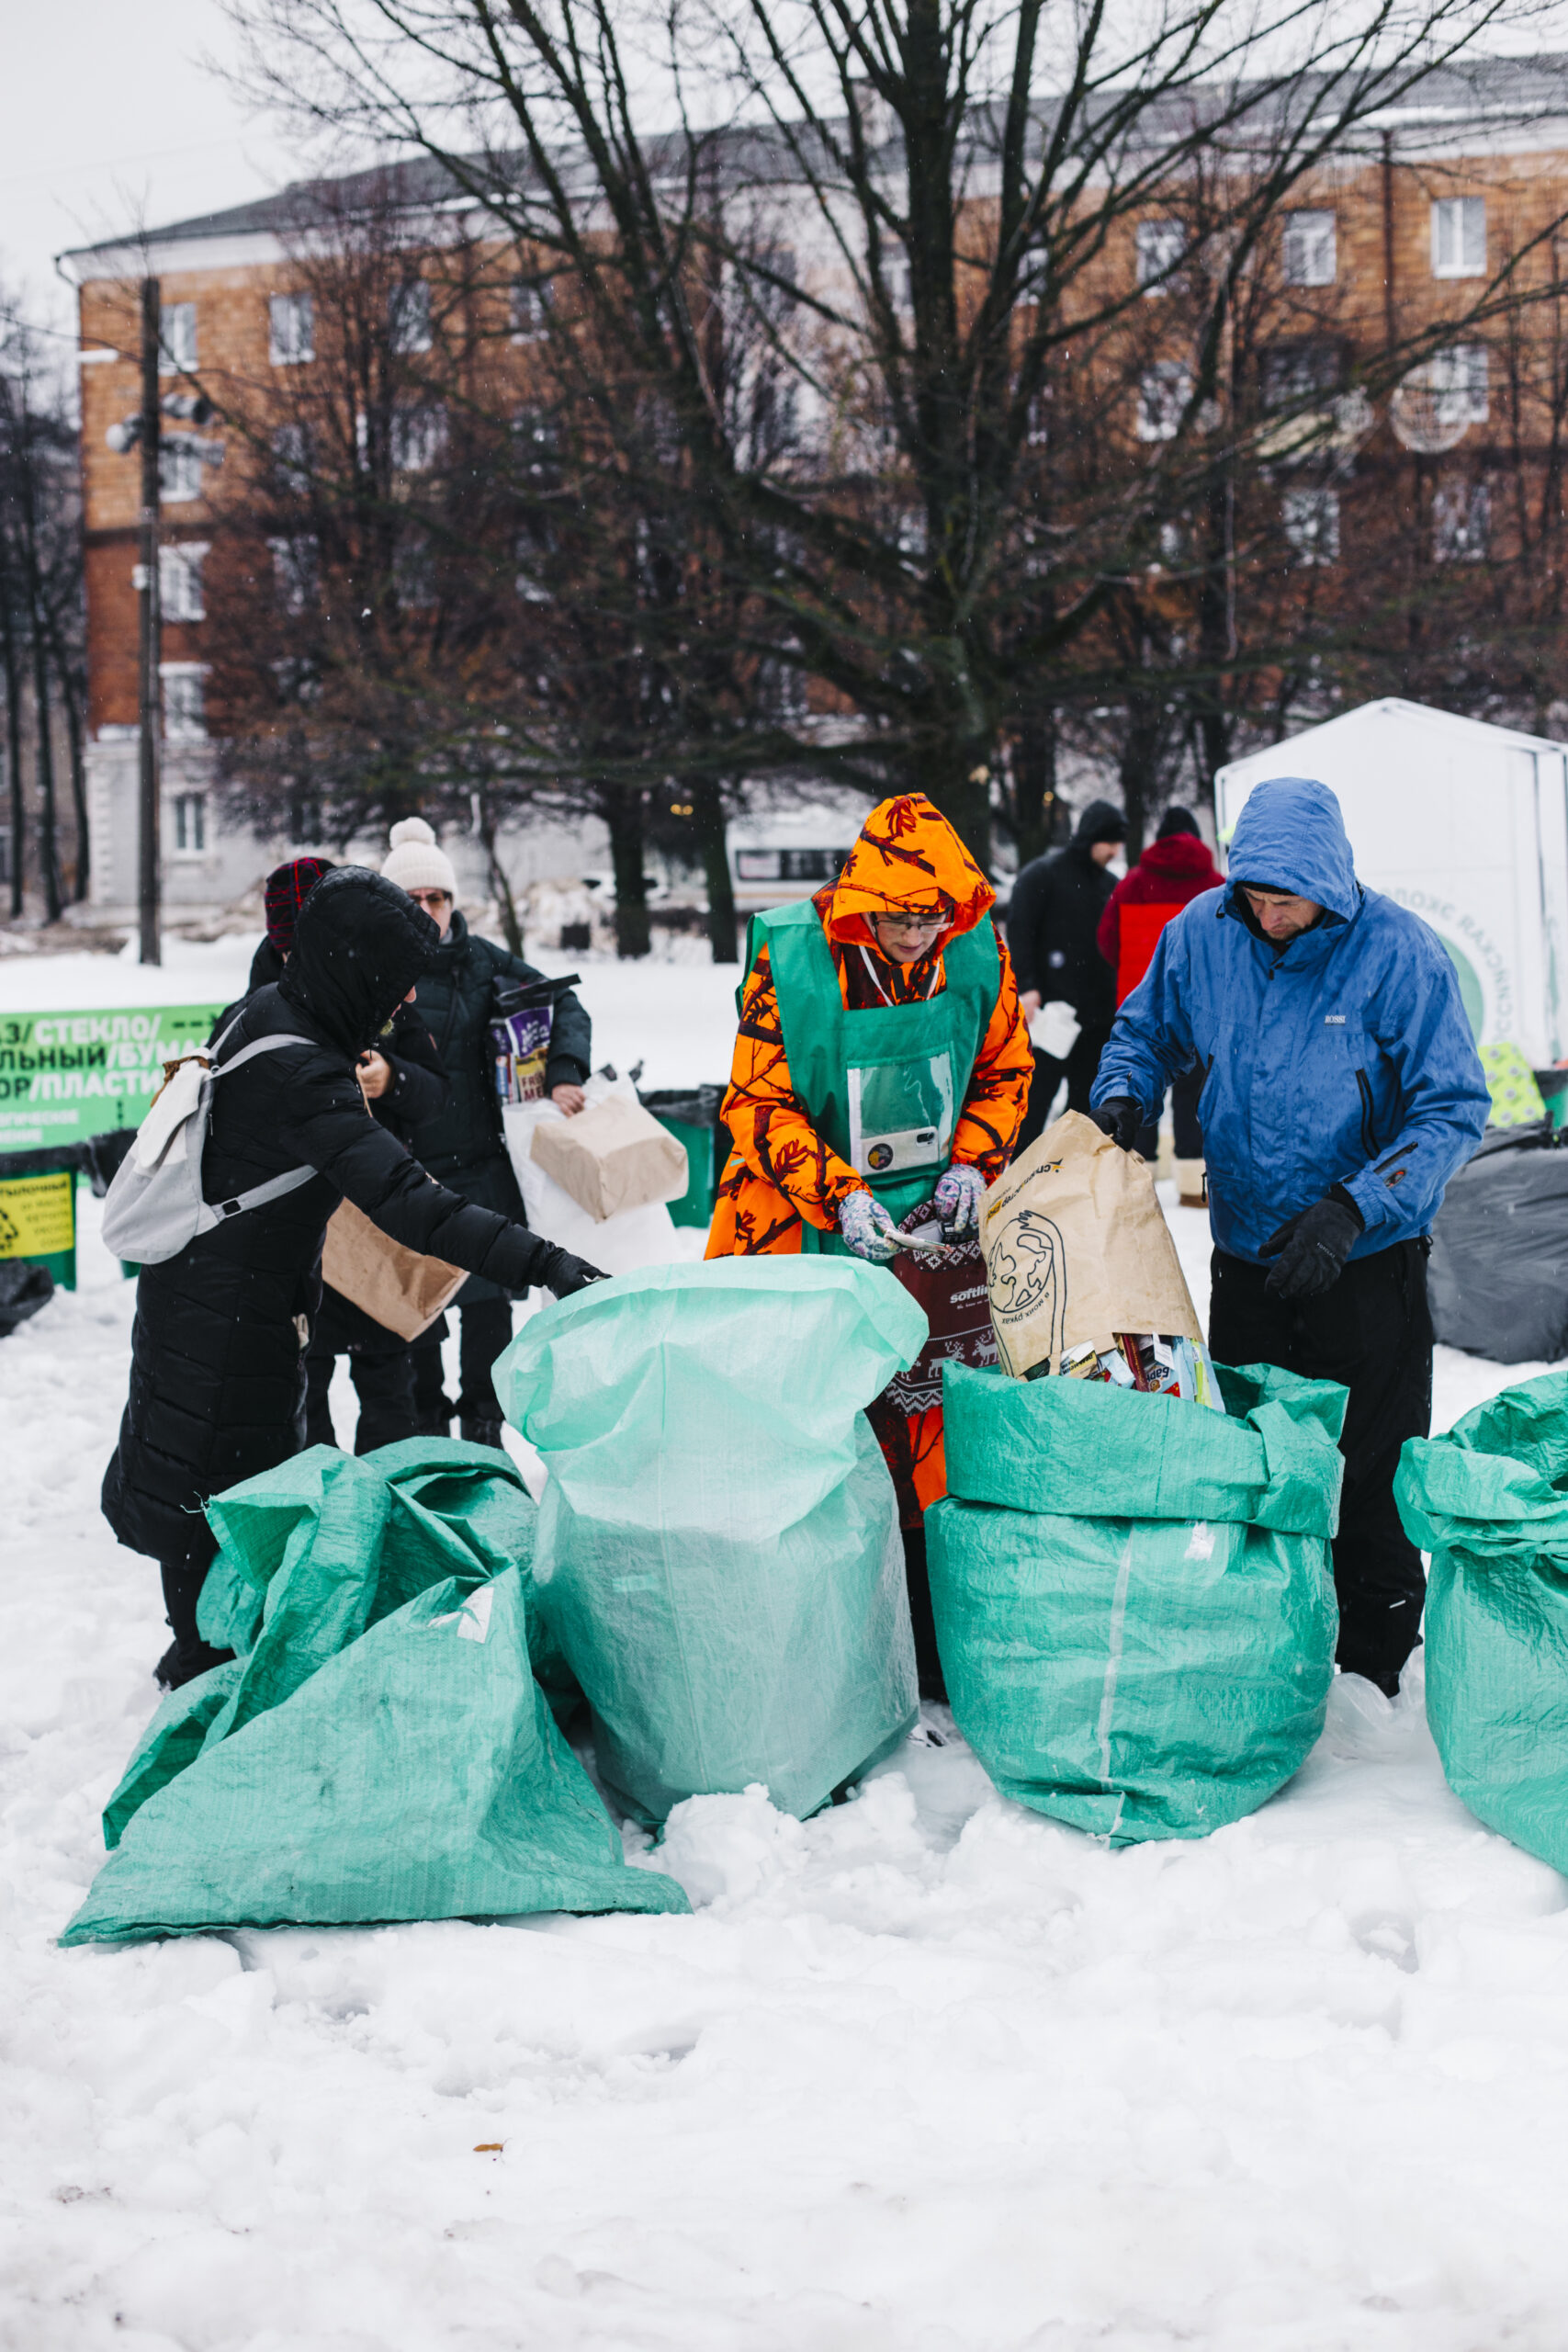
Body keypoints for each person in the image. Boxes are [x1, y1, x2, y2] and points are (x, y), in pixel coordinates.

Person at [102, 866, 604, 1691]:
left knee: (210, 1480)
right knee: (217, 1491)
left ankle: (211, 1651)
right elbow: (413, 1203)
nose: (405, 999)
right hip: (227, 1317)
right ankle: (205, 1666)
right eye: (395, 980)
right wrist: (545, 1261)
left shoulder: (272, 1010)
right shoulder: (304, 1072)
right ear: (354, 966)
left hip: (210, 1295)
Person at [1090, 775, 1489, 1698]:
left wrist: (1356, 1206)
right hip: (1249, 1257)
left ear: (1330, 886)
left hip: (1366, 1264)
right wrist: (1122, 1096)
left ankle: (1374, 1666)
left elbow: (1452, 1107)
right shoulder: (1202, 932)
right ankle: (1271, 1651)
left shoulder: (1398, 953)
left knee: (1369, 1472)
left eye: (1290, 901)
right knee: (1259, 1465)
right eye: (1258, 898)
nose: (1271, 917)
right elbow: (1144, 1034)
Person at [706, 791, 1032, 1698]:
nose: (916, 938)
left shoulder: (976, 945)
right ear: (861, 906)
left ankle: (930, 1638)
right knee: (820, 1425)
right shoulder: (791, 953)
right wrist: (837, 1193)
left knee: (936, 1426)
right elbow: (757, 1100)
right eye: (897, 920)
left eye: (932, 921)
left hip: (934, 1227)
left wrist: (971, 1164)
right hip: (804, 1213)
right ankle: (828, 1649)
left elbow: (1005, 1068)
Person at [379, 818, 593, 1450]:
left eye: (437, 898)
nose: (426, 911)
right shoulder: (371, 968)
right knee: (413, 1314)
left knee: (486, 1309)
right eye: (412, 900)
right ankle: (425, 1433)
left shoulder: (483, 962)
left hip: (479, 1165)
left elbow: (564, 1003)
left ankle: (483, 1433)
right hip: (402, 1171)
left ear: (453, 901)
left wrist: (563, 1070)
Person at [1094, 807, 1224, 1203]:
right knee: (1193, 1096)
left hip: (1139, 998)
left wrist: (1136, 972)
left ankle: (1139, 1182)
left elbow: (1106, 940)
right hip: (1201, 1006)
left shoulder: (1132, 884)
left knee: (1138, 1090)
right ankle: (1191, 1185)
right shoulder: (1216, 886)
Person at [1007, 798, 1127, 1149]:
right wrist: (1027, 986)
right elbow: (1020, 932)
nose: (1116, 850)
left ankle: (1069, 1170)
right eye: (1110, 841)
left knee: (1085, 1106)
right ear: (1092, 837)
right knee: (1035, 1099)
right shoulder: (1042, 875)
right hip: (1051, 1012)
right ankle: (1021, 1168)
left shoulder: (1110, 884)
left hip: (1097, 1015)